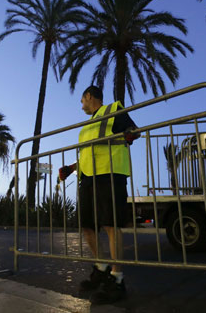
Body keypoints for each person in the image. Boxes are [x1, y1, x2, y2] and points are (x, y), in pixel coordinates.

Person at [58, 86, 139, 304]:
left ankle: (117, 277)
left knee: (111, 225)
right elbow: (88, 151)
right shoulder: (88, 125)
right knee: (87, 226)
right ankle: (101, 267)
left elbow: (133, 130)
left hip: (110, 174)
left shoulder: (113, 109)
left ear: (89, 97)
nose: (81, 105)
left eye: (82, 100)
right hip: (88, 178)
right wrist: (72, 168)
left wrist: (130, 134)